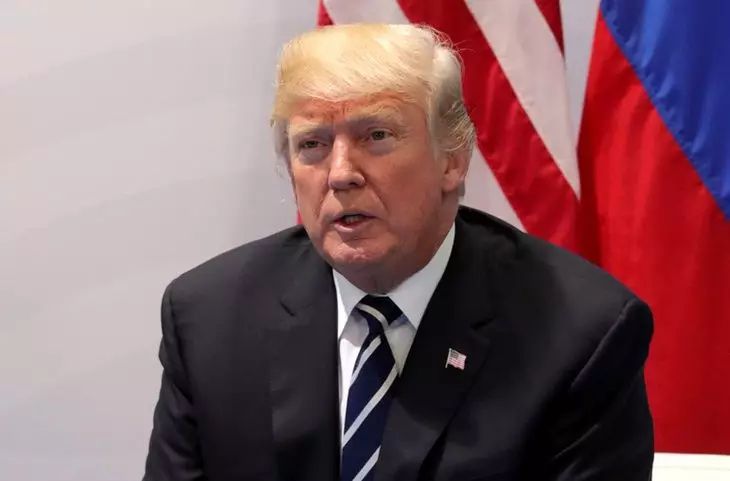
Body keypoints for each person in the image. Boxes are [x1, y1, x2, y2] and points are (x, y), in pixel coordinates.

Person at [143, 23, 654, 481]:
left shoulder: (579, 334)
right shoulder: (209, 319)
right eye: (312, 144)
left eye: (376, 136)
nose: (341, 174)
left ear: (452, 160)